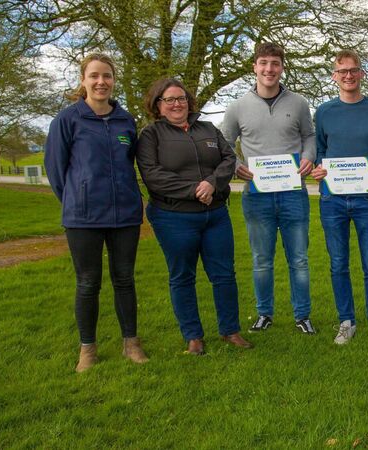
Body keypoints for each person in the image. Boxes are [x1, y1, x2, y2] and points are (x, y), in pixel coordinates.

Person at [45, 53, 149, 372]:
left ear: (114, 80)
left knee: (124, 279)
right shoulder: (67, 120)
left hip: (125, 216)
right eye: (94, 76)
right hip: (83, 218)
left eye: (107, 76)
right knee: (88, 282)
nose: (101, 82)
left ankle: (131, 343)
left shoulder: (125, 120)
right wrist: (78, 197)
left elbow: (130, 162)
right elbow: (56, 170)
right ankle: (87, 349)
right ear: (83, 80)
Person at [136, 78, 251, 355]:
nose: (177, 104)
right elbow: (152, 175)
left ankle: (230, 330)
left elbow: (228, 159)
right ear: (158, 105)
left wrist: (212, 183)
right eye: (169, 99)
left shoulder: (208, 129)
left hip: (215, 215)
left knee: (224, 274)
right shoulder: (151, 135)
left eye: (181, 98)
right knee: (182, 276)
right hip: (173, 217)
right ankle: (193, 336)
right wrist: (195, 190)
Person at [221, 42, 317, 334]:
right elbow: (225, 144)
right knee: (262, 260)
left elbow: (309, 136)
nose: (269, 69)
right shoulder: (237, 107)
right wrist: (236, 165)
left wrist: (308, 157)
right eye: (263, 63)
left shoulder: (298, 103)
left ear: (282, 67)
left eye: (275, 63)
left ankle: (302, 315)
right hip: (257, 196)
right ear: (255, 67)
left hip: (294, 194)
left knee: (299, 259)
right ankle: (264, 313)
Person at [311, 50, 368, 345]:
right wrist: (319, 167)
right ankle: (346, 322)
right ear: (334, 76)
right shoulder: (324, 112)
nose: (348, 75)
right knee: (338, 263)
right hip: (332, 200)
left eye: (353, 70)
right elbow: (320, 150)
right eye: (342, 71)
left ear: (362, 73)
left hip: (367, 199)